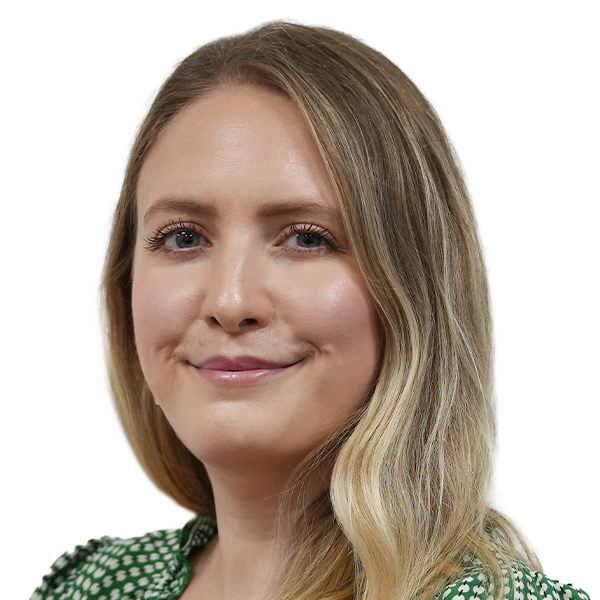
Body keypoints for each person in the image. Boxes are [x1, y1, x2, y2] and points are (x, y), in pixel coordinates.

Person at [30, 17, 589, 600]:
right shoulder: (88, 586)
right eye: (184, 237)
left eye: (305, 238)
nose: (230, 302)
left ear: (415, 286)